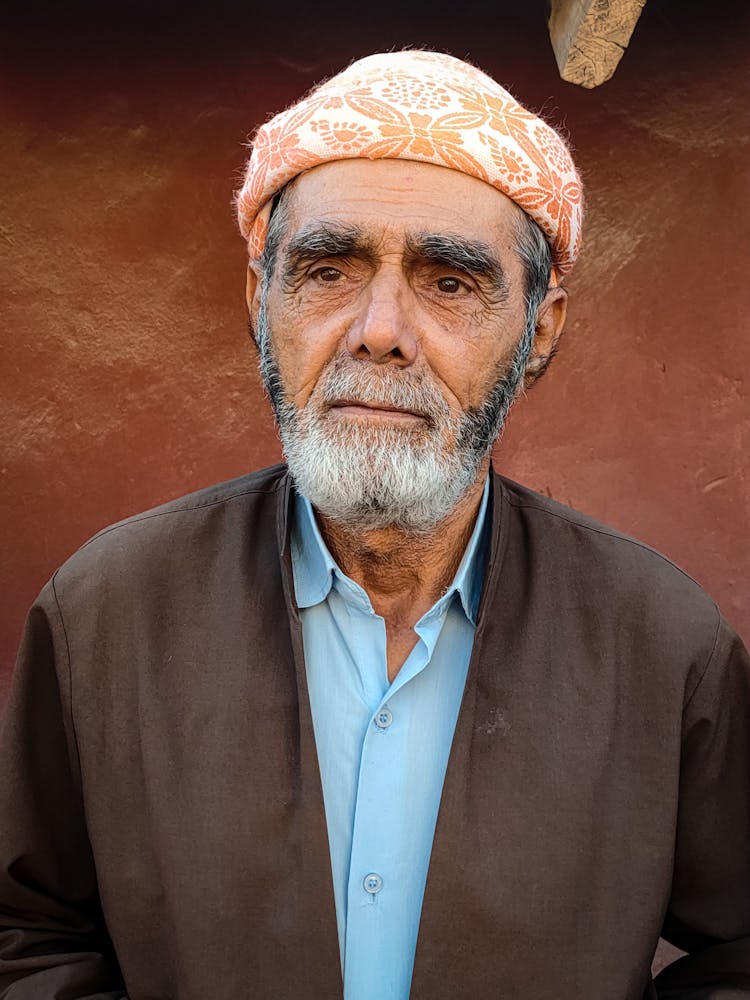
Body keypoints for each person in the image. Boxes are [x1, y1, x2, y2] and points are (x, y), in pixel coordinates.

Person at [0, 49, 748, 1000]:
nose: (379, 328)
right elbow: (25, 933)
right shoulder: (105, 614)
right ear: (259, 303)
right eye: (329, 270)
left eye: (449, 282)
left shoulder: (662, 643)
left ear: (541, 332)